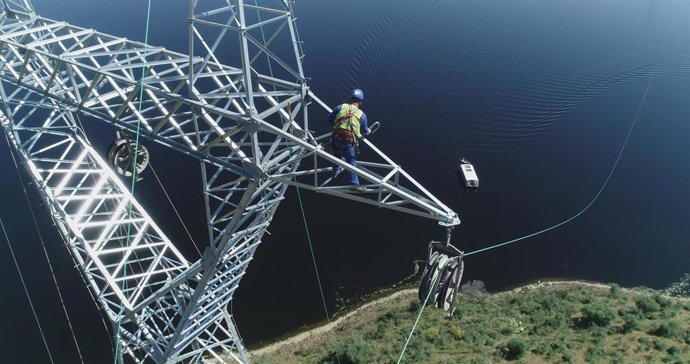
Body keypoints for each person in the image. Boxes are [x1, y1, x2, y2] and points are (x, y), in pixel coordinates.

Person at [328, 88, 370, 190]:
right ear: (360, 102)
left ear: (351, 99)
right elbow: (365, 131)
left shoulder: (340, 107)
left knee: (336, 155)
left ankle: (335, 172)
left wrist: (335, 126)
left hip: (336, 138)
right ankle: (354, 185)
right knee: (351, 161)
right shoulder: (362, 115)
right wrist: (367, 132)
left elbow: (330, 118)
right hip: (348, 142)